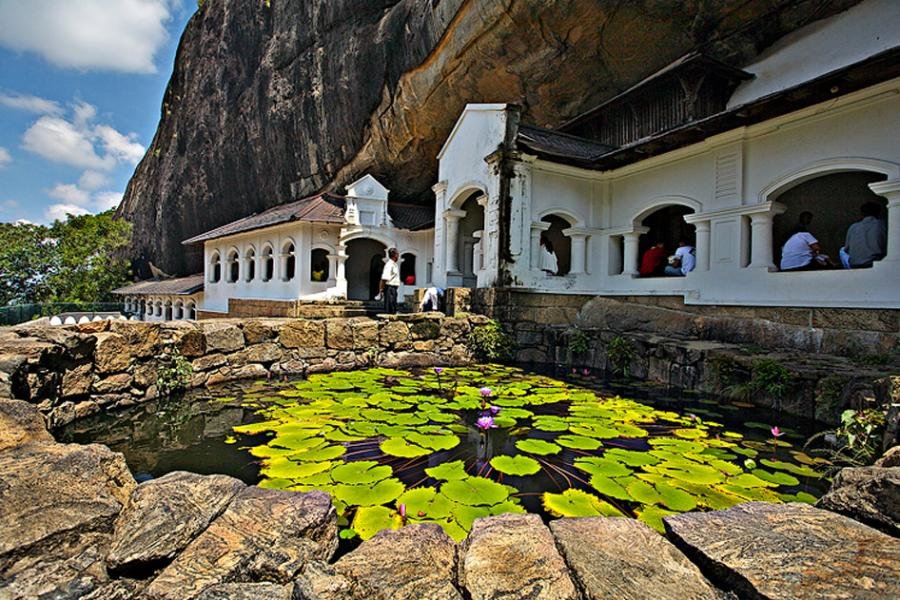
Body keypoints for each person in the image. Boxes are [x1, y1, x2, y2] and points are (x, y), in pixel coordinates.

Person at [844, 202, 887, 268]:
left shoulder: (853, 227)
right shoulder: (882, 225)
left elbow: (846, 249)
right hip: (875, 263)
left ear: (862, 213)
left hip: (854, 263)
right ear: (878, 212)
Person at [378, 248, 400, 314]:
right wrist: (381, 289)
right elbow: (384, 278)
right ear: (395, 255)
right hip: (389, 288)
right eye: (397, 254)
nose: (398, 256)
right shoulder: (389, 265)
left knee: (393, 305)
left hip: (394, 288)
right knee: (390, 306)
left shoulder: (394, 265)